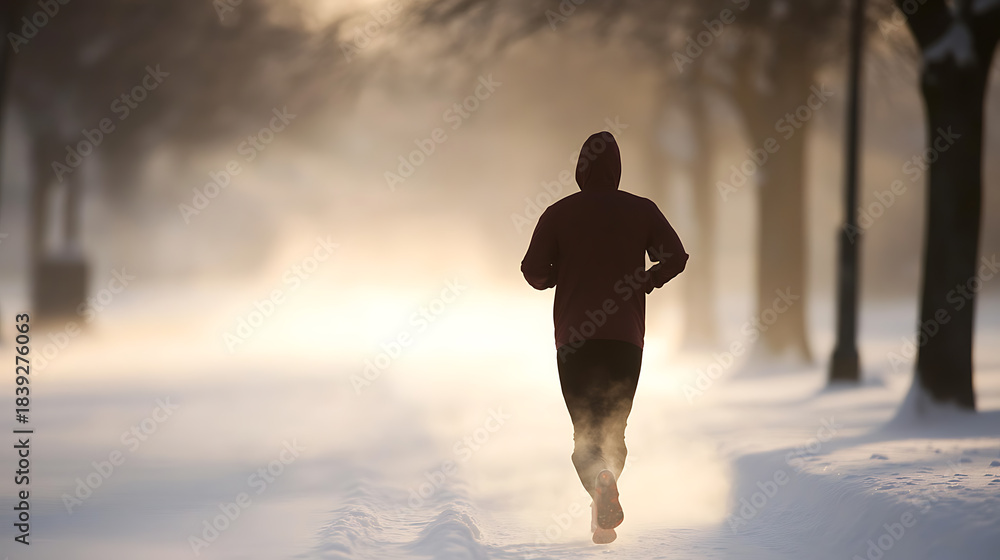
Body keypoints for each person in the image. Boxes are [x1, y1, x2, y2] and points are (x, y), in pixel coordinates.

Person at [520, 131, 688, 544]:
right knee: (614, 428)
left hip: (575, 340)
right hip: (624, 339)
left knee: (585, 432)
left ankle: (599, 483)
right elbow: (676, 255)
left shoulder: (559, 213)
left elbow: (532, 270)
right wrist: (648, 279)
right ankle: (602, 504)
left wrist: (560, 274)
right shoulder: (641, 210)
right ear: (617, 170)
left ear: (581, 170)